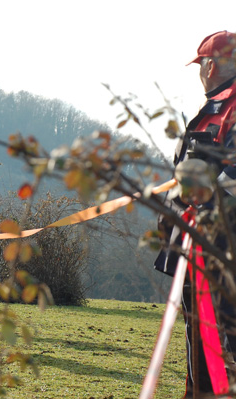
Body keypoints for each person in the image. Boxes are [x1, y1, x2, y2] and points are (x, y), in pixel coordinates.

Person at [154, 31, 236, 398]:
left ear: (211, 65)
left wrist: (202, 201)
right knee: (199, 334)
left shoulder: (230, 108)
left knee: (221, 337)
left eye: (200, 64)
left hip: (219, 247)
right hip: (195, 244)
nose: (200, 72)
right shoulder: (211, 109)